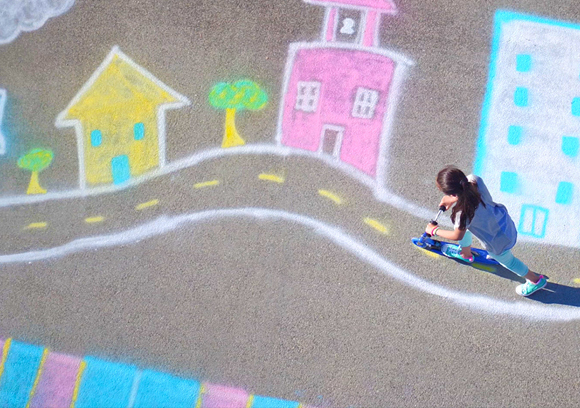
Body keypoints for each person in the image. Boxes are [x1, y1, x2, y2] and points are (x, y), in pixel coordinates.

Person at [425, 165, 547, 297]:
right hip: (505, 225)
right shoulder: (475, 181)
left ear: (453, 193)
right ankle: (465, 253)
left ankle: (535, 281)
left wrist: (434, 230)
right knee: (467, 230)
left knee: (509, 262)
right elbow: (467, 192)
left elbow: (457, 235)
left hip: (496, 242)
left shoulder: (462, 214)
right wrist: (453, 199)